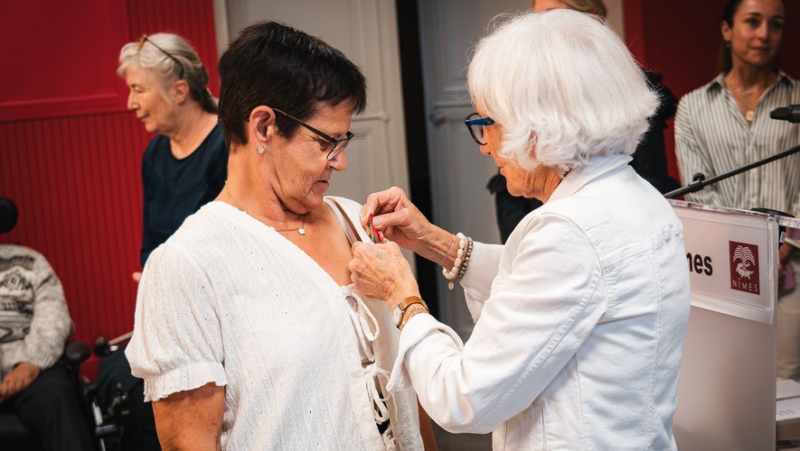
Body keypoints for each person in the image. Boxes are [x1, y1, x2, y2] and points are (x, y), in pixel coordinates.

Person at [349, 10, 691, 450]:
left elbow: (463, 400)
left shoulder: (569, 231)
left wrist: (403, 297)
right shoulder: (638, 198)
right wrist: (437, 244)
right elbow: (554, 295)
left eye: (489, 123)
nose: (486, 143)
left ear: (539, 126)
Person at [125, 22, 432, 450]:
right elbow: (189, 441)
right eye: (327, 142)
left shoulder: (356, 222)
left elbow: (406, 382)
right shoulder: (186, 265)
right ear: (264, 127)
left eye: (344, 141)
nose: (339, 162)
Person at [674, 0, 800, 379]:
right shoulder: (693, 108)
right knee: (728, 381)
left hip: (790, 266)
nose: (764, 34)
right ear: (727, 30)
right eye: (753, 21)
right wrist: (747, 255)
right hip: (721, 267)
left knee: (785, 385)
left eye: (775, 25)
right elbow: (700, 191)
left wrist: (778, 253)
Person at [488, 0, 680, 243]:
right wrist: (523, 245)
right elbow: (511, 184)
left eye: (553, 16)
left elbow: (649, 183)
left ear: (591, 21)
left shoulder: (630, 95)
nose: (540, 28)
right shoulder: (524, 94)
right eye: (534, 19)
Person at [117, 32, 228, 277]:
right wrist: (152, 276)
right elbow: (151, 244)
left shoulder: (228, 144)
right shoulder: (155, 154)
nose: (130, 103)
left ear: (179, 91)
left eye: (138, 90)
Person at [0, 197, 95, 450]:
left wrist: (31, 364)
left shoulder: (29, 262)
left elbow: (53, 316)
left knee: (58, 397)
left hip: (30, 368)